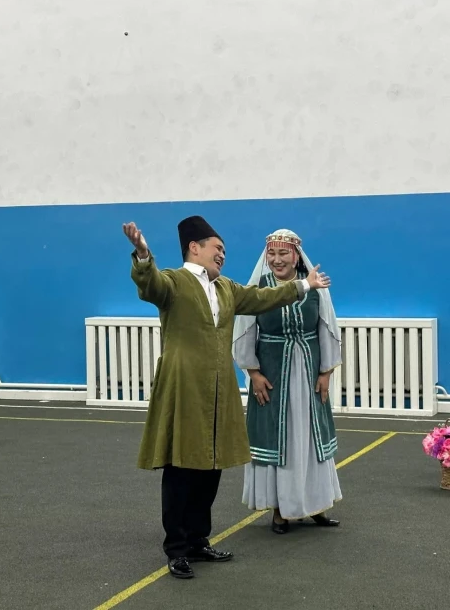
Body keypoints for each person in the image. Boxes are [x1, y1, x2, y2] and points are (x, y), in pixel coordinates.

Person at [123, 216, 332, 579]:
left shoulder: (226, 288)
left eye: (224, 251)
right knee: (181, 470)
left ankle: (198, 540)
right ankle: (177, 548)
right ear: (195, 248)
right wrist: (142, 254)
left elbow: (263, 297)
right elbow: (149, 284)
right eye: (217, 249)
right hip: (184, 389)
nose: (222, 255)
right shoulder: (174, 282)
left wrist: (304, 285)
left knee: (211, 469)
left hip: (219, 393)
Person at [232, 229, 343, 534]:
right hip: (272, 375)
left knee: (309, 437)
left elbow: (327, 328)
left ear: (296, 256)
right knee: (279, 438)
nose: (277, 259)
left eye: (283, 253)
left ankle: (316, 504)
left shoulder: (315, 286)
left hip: (307, 374)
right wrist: (253, 373)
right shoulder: (258, 288)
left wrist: (325, 373)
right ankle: (281, 509)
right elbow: (245, 331)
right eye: (272, 253)